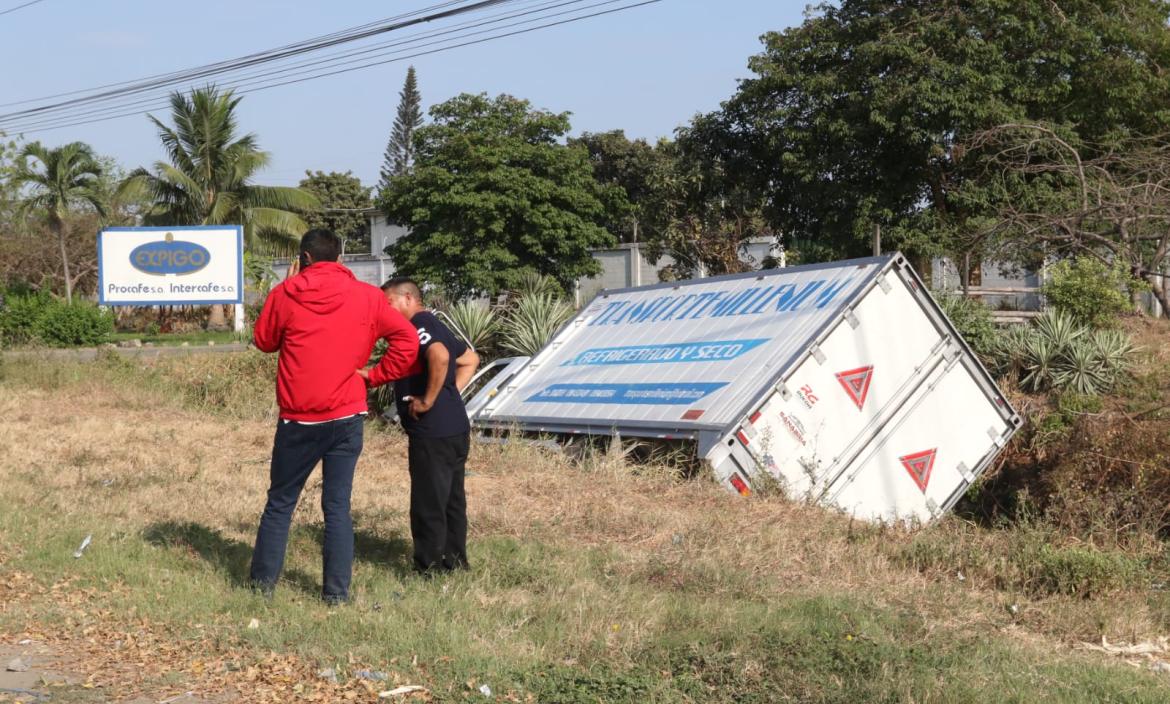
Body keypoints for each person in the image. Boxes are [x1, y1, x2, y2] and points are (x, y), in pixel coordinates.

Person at [249, 229, 418, 605]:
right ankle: (336, 595)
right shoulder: (368, 297)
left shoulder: (286, 293)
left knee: (281, 503)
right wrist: (375, 376)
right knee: (338, 507)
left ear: (304, 258)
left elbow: (263, 341)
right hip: (347, 416)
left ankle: (261, 588)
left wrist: (289, 286)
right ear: (340, 258)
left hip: (299, 418)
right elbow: (406, 340)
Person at [360, 278, 479, 574]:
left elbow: (439, 355)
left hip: (433, 432)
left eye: (388, 303)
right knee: (451, 500)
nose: (384, 310)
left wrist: (429, 400)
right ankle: (455, 563)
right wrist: (448, 394)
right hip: (454, 428)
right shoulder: (434, 324)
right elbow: (470, 359)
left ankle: (428, 568)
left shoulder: (419, 327)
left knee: (428, 502)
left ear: (409, 299)